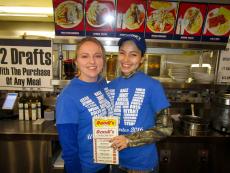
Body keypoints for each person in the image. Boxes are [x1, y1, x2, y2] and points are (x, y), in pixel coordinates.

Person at [108, 34, 173, 173]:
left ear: (142, 58)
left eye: (133, 54)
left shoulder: (153, 86)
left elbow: (166, 127)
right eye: (122, 53)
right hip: (115, 161)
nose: (126, 59)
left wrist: (129, 140)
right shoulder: (111, 86)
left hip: (143, 165)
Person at [56, 37, 113, 173]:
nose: (92, 61)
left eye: (97, 56)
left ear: (103, 60)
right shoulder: (68, 97)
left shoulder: (102, 83)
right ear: (76, 61)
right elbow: (69, 148)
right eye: (85, 56)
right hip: (84, 168)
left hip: (104, 162)